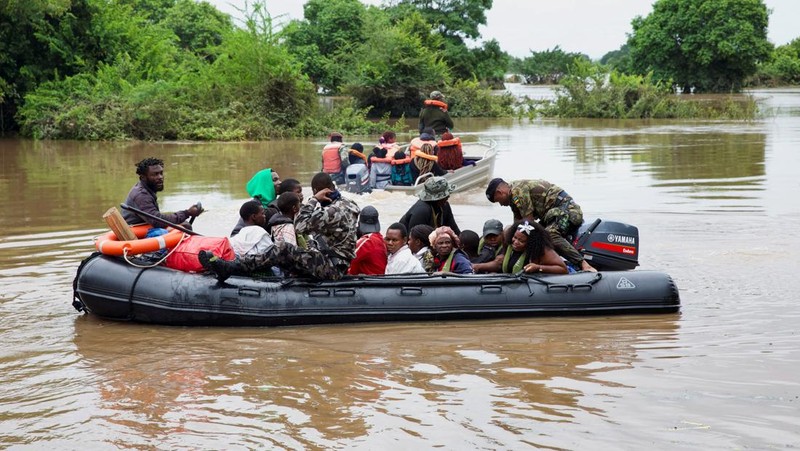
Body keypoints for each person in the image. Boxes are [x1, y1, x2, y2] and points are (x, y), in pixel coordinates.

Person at [200, 172, 360, 281]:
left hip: (332, 268)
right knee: (291, 251)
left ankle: (232, 268)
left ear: (319, 191)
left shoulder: (332, 211)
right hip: (336, 262)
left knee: (283, 248)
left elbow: (300, 225)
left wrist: (313, 200)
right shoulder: (349, 204)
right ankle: (235, 266)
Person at [486, 177, 597, 272]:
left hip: (567, 211)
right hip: (551, 216)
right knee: (514, 231)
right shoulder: (513, 197)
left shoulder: (518, 191)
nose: (501, 204)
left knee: (549, 234)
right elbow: (518, 225)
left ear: (500, 193)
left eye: (498, 201)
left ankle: (583, 264)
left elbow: (528, 223)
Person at [122, 157, 203, 227]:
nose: (160, 177)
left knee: (184, 224)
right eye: (155, 174)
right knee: (186, 226)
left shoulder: (146, 188)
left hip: (144, 225)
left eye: (161, 173)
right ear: (143, 177)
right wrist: (187, 213)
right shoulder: (141, 195)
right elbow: (157, 221)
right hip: (135, 232)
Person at [230, 174, 300, 237]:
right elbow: (235, 235)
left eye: (278, 179)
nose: (280, 182)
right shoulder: (253, 207)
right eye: (275, 180)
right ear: (265, 184)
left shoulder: (278, 204)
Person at [500, 220, 569, 275]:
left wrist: (538, 268)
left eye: (521, 241)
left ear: (530, 243)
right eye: (515, 237)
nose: (516, 242)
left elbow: (563, 269)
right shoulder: (509, 243)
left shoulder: (541, 250)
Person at [347, 206, 387, 275]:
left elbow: (349, 258)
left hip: (369, 281)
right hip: (378, 278)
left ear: (359, 223)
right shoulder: (380, 238)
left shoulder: (367, 241)